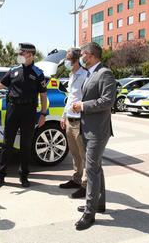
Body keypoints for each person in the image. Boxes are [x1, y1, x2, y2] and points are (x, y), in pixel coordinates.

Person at [0, 43, 47, 189]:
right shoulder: (13, 71)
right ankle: (0, 175)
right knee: (7, 143)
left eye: (21, 53)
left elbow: (43, 96)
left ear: (30, 54)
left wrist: (43, 114)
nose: (19, 55)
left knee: (25, 145)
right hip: (13, 109)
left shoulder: (38, 73)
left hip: (29, 112)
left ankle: (24, 176)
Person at [72, 42, 116, 230]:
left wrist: (83, 105)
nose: (81, 57)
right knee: (96, 168)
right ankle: (99, 203)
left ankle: (89, 214)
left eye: (82, 54)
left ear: (90, 55)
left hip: (97, 131)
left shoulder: (105, 73)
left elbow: (107, 101)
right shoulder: (91, 74)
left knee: (91, 170)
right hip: (87, 128)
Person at [58, 48, 88, 199]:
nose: (66, 62)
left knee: (84, 155)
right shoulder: (71, 75)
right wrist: (63, 116)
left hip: (80, 120)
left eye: (68, 59)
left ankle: (85, 186)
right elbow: (70, 98)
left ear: (76, 60)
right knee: (74, 153)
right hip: (69, 119)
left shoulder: (85, 75)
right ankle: (76, 179)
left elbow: (86, 98)